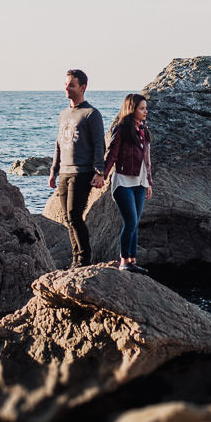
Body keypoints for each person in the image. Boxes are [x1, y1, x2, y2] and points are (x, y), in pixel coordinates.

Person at [48, 68, 105, 268]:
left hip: (82, 172)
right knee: (67, 218)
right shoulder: (64, 114)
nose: (67, 88)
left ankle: (83, 259)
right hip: (64, 171)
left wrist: (99, 172)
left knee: (74, 215)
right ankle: (75, 259)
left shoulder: (91, 114)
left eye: (71, 85)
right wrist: (53, 170)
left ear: (83, 87)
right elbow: (58, 143)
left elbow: (99, 144)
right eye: (65, 84)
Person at [101, 93, 153, 273]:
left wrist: (149, 183)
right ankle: (124, 261)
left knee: (135, 223)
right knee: (130, 222)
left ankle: (132, 261)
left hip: (140, 184)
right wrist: (103, 175)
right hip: (123, 183)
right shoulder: (121, 129)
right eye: (142, 108)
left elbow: (147, 160)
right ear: (132, 109)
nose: (145, 111)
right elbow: (112, 155)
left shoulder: (143, 130)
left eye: (146, 108)